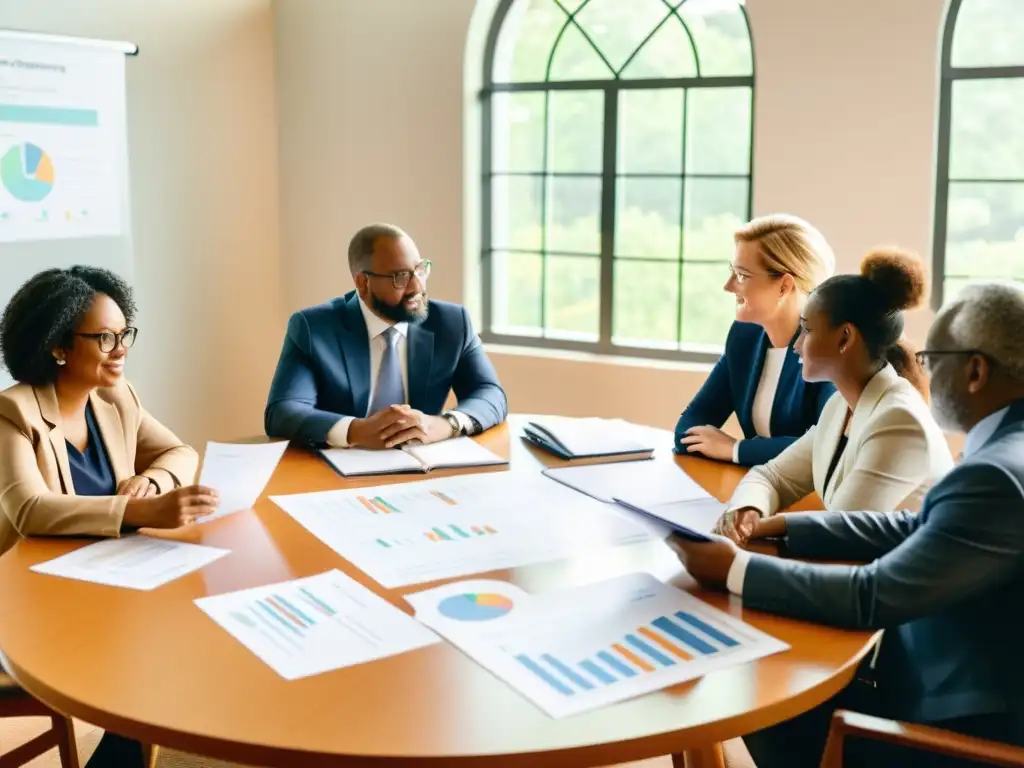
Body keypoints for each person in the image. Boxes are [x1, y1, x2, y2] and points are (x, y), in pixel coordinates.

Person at [671, 280, 1024, 768]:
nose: (922, 371)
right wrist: (789, 528)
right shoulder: (1006, 450)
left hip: (954, 726)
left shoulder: (996, 473)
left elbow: (871, 595)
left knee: (766, 699)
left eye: (931, 359)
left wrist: (734, 571)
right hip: (944, 675)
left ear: (976, 371)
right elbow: (913, 524)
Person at [0, 266, 219, 768]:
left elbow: (179, 453)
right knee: (156, 657)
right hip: (30, 600)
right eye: (104, 337)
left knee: (191, 630)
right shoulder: (13, 414)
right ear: (58, 346)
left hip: (103, 587)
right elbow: (28, 508)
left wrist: (153, 481)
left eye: (125, 333)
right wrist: (137, 510)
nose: (121, 348)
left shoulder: (114, 398)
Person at [714, 248, 953, 543]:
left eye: (806, 330)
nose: (796, 344)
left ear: (844, 338)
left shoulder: (899, 419)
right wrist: (747, 508)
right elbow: (772, 476)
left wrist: (759, 528)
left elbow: (840, 528)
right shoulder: (840, 406)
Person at [265, 223, 508, 448]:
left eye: (420, 270)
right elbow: (283, 411)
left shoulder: (452, 323)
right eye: (400, 276)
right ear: (362, 283)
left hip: (423, 467)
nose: (417, 287)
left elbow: (490, 393)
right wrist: (356, 431)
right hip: (340, 470)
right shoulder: (314, 327)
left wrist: (445, 424)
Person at [675, 214, 837, 467]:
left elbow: (826, 445)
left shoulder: (830, 349)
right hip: (759, 489)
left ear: (784, 286)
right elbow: (690, 425)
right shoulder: (744, 336)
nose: (728, 286)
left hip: (814, 501)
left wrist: (737, 449)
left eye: (742, 275)